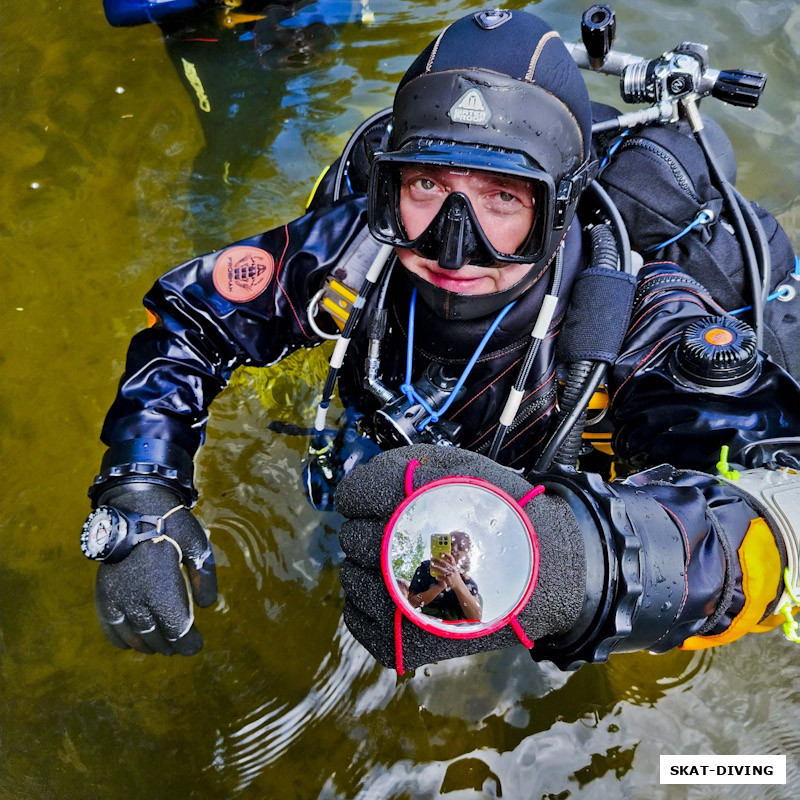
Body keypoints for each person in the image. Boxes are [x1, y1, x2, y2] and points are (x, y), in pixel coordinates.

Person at [80, 9, 800, 671]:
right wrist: (140, 486)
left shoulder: (642, 316)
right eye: (427, 185)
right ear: (390, 185)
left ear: (560, 207)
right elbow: (190, 315)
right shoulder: (361, 251)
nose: (454, 247)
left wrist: (576, 567)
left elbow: (779, 508)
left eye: (504, 198)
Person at [407, 531, 482, 622]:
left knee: (479, 599)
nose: (454, 548)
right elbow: (410, 603)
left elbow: (476, 617)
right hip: (421, 623)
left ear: (466, 556)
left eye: (461, 547)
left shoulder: (468, 583)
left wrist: (457, 583)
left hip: (453, 630)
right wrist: (440, 587)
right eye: (450, 543)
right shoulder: (427, 567)